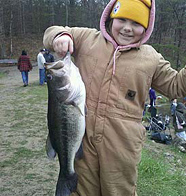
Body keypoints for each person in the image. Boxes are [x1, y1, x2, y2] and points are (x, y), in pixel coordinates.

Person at [43, 0, 186, 195]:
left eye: (136, 23)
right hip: (84, 141)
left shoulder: (151, 59)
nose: (127, 28)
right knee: (82, 190)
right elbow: (52, 31)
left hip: (123, 146)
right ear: (110, 18)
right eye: (122, 20)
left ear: (146, 28)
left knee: (118, 190)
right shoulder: (86, 39)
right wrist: (61, 36)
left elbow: (176, 85)